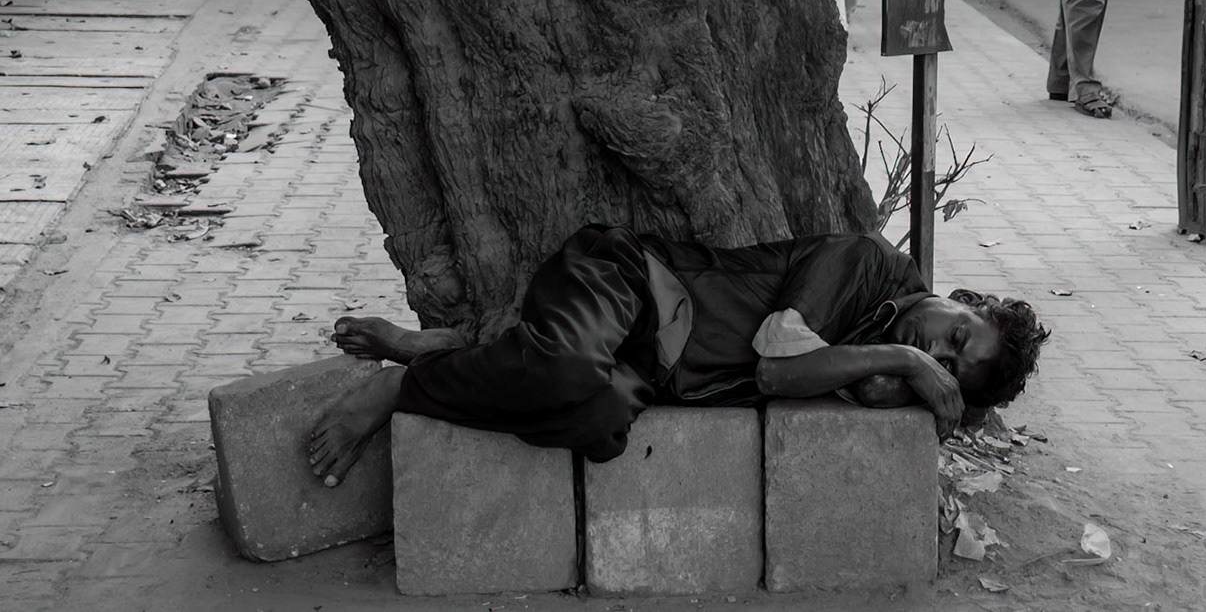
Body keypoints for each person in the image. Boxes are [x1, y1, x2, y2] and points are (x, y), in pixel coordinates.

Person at [307, 227, 1050, 486]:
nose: (935, 353)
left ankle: (462, 353)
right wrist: (911, 364)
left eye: (950, 369)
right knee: (567, 372)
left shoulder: (887, 370)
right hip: (633, 283)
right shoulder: (864, 262)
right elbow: (776, 369)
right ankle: (404, 385)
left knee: (596, 427)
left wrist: (917, 386)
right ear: (962, 298)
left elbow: (944, 405)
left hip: (651, 374)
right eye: (956, 336)